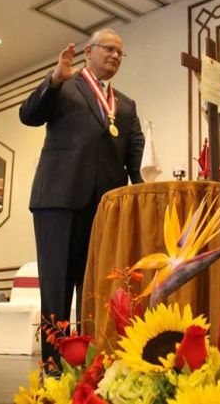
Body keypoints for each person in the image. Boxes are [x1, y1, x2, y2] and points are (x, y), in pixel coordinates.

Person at [19, 28, 145, 369]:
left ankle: (88, 359)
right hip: (58, 198)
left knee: (92, 284)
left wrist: (137, 186)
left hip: (103, 206)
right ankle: (53, 362)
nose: (115, 56)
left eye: (120, 52)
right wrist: (53, 79)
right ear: (88, 52)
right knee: (57, 283)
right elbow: (28, 115)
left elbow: (134, 152)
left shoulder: (127, 105)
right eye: (109, 49)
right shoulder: (65, 85)